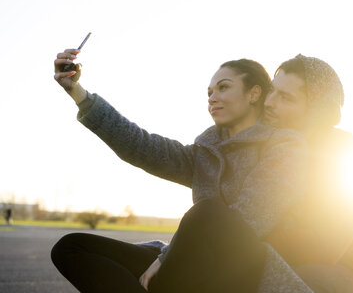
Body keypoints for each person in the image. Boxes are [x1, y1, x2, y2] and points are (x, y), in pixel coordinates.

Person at [50, 48, 309, 292]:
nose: (212, 97)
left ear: (253, 94)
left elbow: (252, 215)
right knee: (70, 248)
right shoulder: (204, 152)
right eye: (209, 92)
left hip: (243, 272)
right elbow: (142, 146)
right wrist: (78, 93)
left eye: (223, 87)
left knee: (207, 211)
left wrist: (165, 257)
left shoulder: (285, 143)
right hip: (188, 262)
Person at [259, 54, 353, 293]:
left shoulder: (340, 151)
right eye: (271, 91)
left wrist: (245, 241)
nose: (269, 103)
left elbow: (326, 247)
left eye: (285, 98)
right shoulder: (267, 142)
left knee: (289, 284)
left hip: (345, 267)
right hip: (278, 255)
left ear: (316, 111)